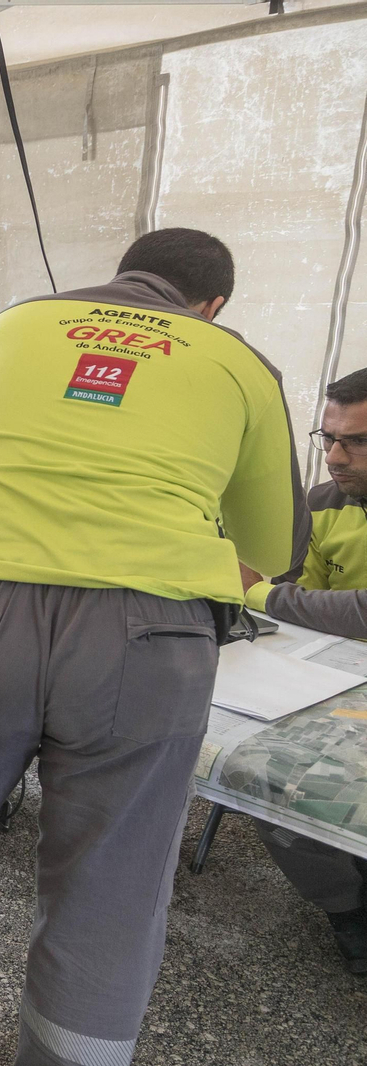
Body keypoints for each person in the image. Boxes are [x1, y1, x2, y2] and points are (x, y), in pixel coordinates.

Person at [0, 229, 308, 1066]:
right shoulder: (237, 361)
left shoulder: (11, 326)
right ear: (213, 305)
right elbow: (273, 545)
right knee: (110, 887)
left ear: (120, 270)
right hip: (151, 638)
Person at [240, 366, 367, 975]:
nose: (336, 457)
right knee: (268, 778)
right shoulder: (324, 502)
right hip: (337, 685)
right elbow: (305, 603)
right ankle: (347, 909)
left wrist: (260, 593)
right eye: (328, 438)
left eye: (357, 442)